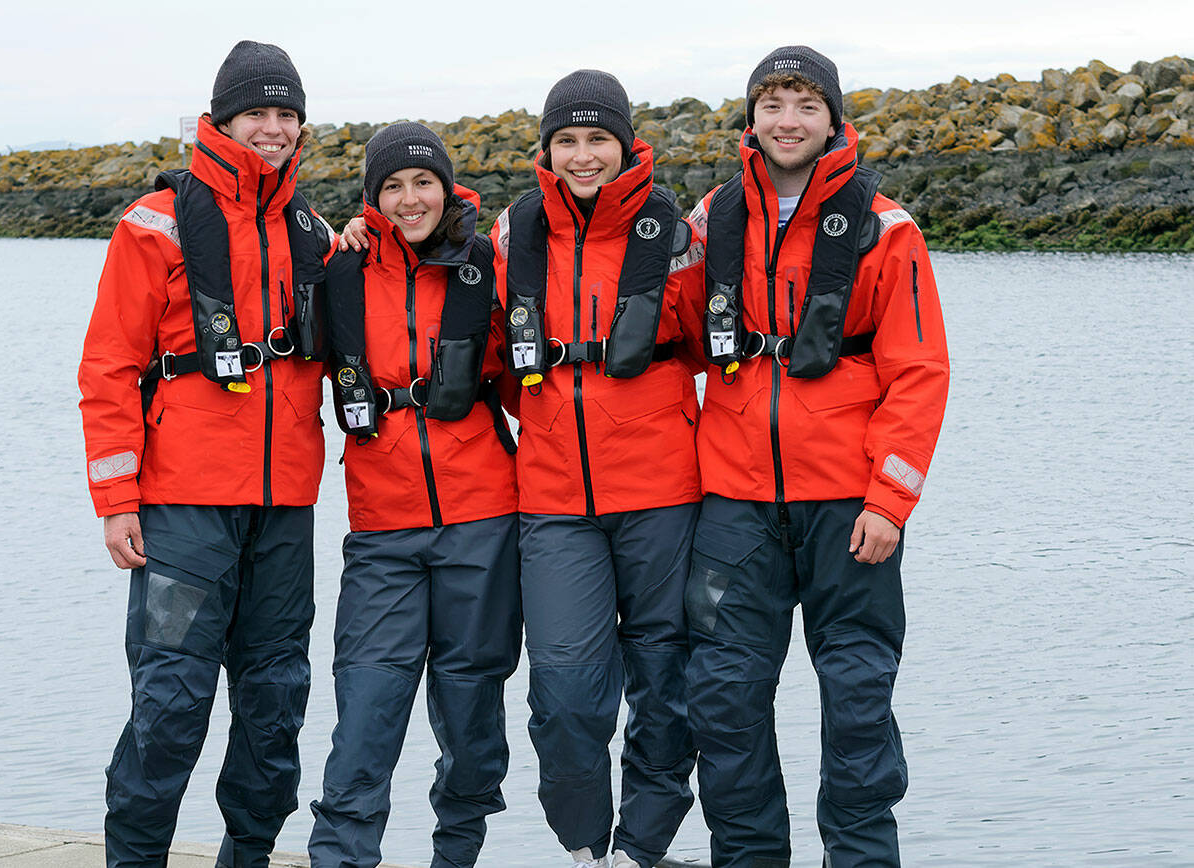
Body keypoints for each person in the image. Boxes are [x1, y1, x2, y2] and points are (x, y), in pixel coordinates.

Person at [681, 46, 950, 867]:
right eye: (772, 104)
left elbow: (920, 373)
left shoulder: (887, 229)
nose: (787, 121)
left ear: (834, 120)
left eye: (804, 105)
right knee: (724, 704)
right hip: (733, 506)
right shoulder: (708, 220)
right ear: (751, 119)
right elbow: (648, 323)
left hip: (850, 511)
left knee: (859, 703)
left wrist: (888, 501)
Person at [78, 40, 331, 868]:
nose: (273, 127)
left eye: (286, 114)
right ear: (222, 119)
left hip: (285, 509)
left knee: (276, 703)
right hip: (182, 506)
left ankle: (247, 857)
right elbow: (109, 366)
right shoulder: (153, 223)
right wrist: (116, 499)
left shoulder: (315, 233)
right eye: (257, 112)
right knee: (171, 702)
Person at [490, 70, 704, 868]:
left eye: (597, 139)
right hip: (552, 500)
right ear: (547, 149)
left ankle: (642, 849)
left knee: (667, 687)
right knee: (564, 693)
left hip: (664, 493)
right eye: (567, 141)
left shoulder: (676, 233)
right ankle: (586, 848)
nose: (583, 156)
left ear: (625, 143)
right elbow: (492, 359)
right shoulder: (516, 235)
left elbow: (709, 348)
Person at [306, 122, 522, 868]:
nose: (408, 199)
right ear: (371, 198)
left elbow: (530, 383)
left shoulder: (487, 267)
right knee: (363, 719)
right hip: (381, 529)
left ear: (446, 187)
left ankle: (455, 856)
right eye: (391, 186)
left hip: (483, 524)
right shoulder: (340, 269)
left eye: (422, 182)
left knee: (471, 728)